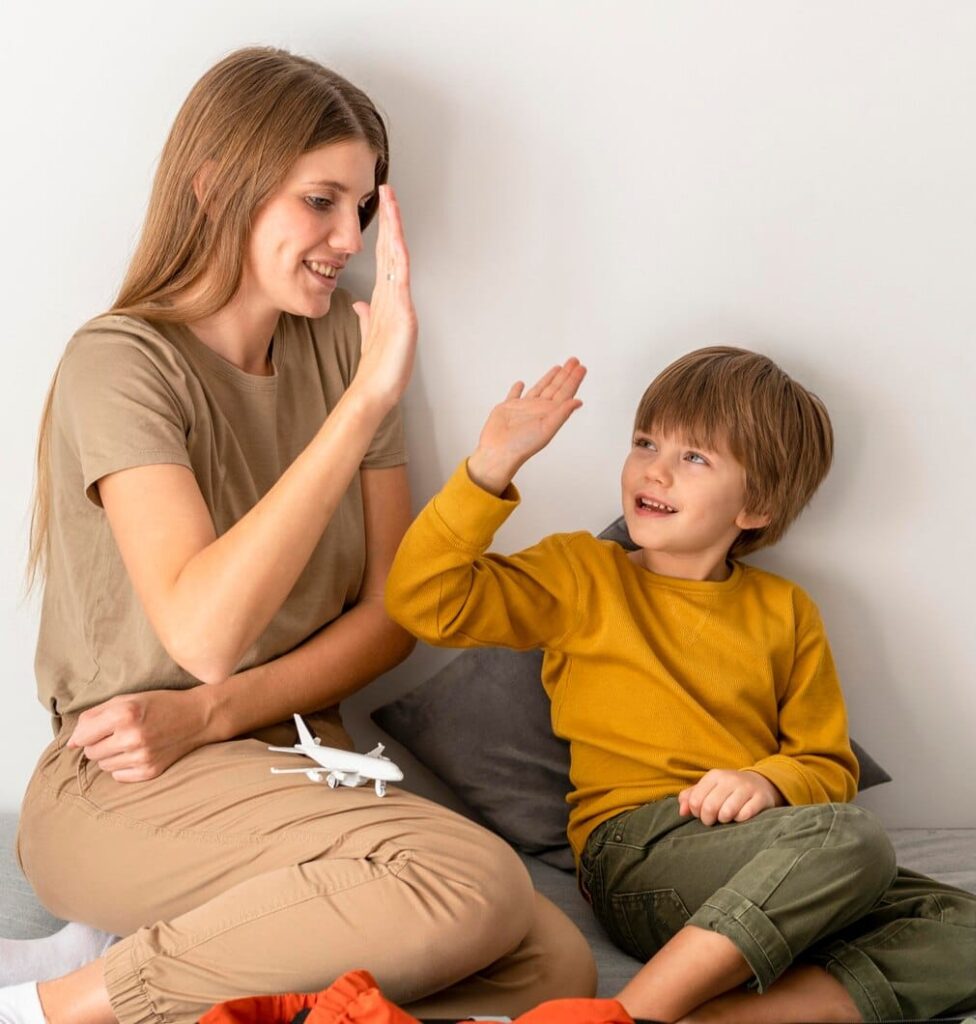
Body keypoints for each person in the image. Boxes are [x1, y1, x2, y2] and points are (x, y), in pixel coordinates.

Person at [0, 47, 595, 1024]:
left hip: (287, 763)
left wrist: (215, 714)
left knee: (551, 963)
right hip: (123, 781)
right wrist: (363, 404)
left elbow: (393, 616)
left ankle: (184, 971)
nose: (346, 237)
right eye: (321, 200)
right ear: (215, 186)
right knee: (470, 879)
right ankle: (55, 1006)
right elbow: (201, 633)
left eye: (362, 207)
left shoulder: (341, 347)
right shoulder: (120, 363)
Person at [384, 349, 976, 1023]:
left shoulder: (786, 610)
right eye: (645, 442)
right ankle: (627, 1015)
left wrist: (769, 782)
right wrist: (491, 466)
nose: (654, 468)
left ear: (758, 505)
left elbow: (827, 764)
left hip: (767, 851)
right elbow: (424, 600)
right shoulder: (582, 573)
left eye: (695, 457)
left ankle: (693, 1019)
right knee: (851, 840)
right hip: (640, 855)